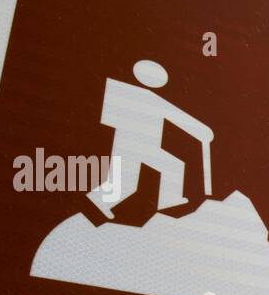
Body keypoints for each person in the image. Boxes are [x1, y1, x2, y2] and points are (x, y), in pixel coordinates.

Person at [88, 59, 214, 218]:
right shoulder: (130, 93)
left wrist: (201, 131)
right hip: (131, 142)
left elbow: (179, 117)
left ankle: (169, 201)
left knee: (169, 167)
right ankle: (95, 207)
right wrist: (202, 131)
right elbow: (179, 116)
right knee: (127, 182)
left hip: (143, 144)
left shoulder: (133, 93)